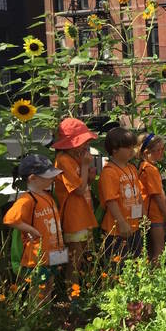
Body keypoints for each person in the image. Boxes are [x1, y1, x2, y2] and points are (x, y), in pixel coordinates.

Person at [3, 155, 67, 300]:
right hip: (37, 256)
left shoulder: (48, 197)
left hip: (53, 252)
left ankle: (45, 315)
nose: (52, 179)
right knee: (38, 288)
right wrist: (31, 230)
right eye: (48, 176)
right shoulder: (27, 199)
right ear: (32, 178)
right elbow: (10, 219)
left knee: (50, 284)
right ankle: (37, 318)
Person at [52, 118, 98, 289]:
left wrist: (89, 175)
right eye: (82, 142)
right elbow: (78, 189)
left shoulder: (75, 157)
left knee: (82, 253)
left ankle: (78, 290)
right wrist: (85, 166)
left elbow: (84, 183)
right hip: (74, 215)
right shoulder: (63, 160)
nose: (85, 146)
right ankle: (73, 294)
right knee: (75, 256)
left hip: (83, 213)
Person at [98, 127, 143, 260]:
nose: (132, 150)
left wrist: (143, 215)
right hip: (117, 229)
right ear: (115, 149)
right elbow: (110, 200)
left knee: (137, 262)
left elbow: (138, 194)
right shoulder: (109, 172)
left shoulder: (132, 168)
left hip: (135, 226)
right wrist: (122, 223)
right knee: (119, 266)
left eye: (133, 147)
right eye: (128, 147)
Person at [137, 133, 166, 263]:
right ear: (147, 152)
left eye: (163, 149)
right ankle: (157, 279)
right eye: (158, 150)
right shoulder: (150, 169)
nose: (161, 152)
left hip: (148, 213)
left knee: (151, 251)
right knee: (159, 250)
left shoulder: (143, 166)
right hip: (154, 215)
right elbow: (157, 195)